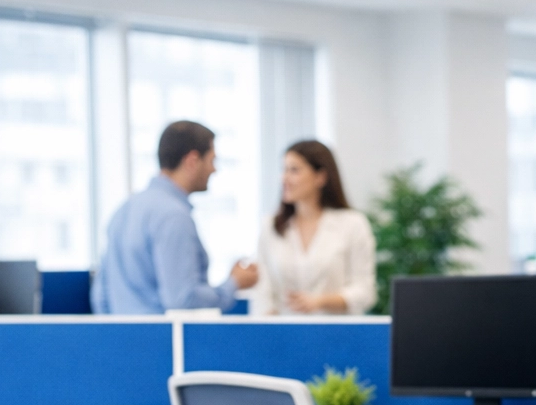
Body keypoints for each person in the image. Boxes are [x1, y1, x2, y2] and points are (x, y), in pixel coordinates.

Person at [92, 121, 257, 314]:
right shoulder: (173, 217)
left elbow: (100, 296)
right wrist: (232, 285)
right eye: (211, 160)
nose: (214, 170)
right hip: (163, 341)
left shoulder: (124, 209)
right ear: (192, 161)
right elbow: (181, 299)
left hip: (120, 339)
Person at [252, 139, 377, 315]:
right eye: (284, 170)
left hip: (337, 334)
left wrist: (321, 301)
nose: (284, 178)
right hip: (285, 335)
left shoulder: (353, 224)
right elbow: (263, 293)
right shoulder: (271, 226)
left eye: (294, 170)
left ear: (320, 177)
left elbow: (365, 292)